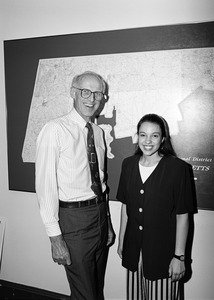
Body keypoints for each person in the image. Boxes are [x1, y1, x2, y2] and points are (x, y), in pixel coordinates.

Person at [35, 71, 115, 300]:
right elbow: (45, 186)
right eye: (85, 92)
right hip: (74, 222)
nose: (92, 99)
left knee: (96, 288)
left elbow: (101, 182)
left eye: (98, 93)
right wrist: (55, 238)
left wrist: (107, 223)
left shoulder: (98, 133)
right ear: (73, 92)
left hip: (99, 216)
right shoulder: (54, 130)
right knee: (85, 294)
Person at [117, 113, 195, 300]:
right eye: (143, 134)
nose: (148, 141)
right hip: (134, 249)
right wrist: (121, 242)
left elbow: (183, 216)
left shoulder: (178, 169)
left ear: (163, 139)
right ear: (137, 137)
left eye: (154, 135)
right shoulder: (128, 165)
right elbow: (125, 207)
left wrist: (179, 257)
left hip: (164, 254)